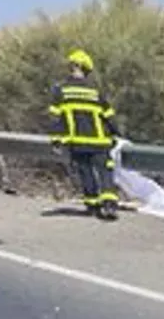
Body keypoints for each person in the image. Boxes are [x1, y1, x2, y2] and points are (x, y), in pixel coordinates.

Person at [48, 49, 120, 221]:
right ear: (86, 69)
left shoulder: (61, 90)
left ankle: (92, 205)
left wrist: (56, 140)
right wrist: (115, 133)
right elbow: (109, 115)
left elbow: (55, 118)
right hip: (99, 141)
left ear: (72, 66)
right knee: (105, 172)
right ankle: (109, 205)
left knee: (85, 172)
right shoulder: (95, 90)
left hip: (77, 142)